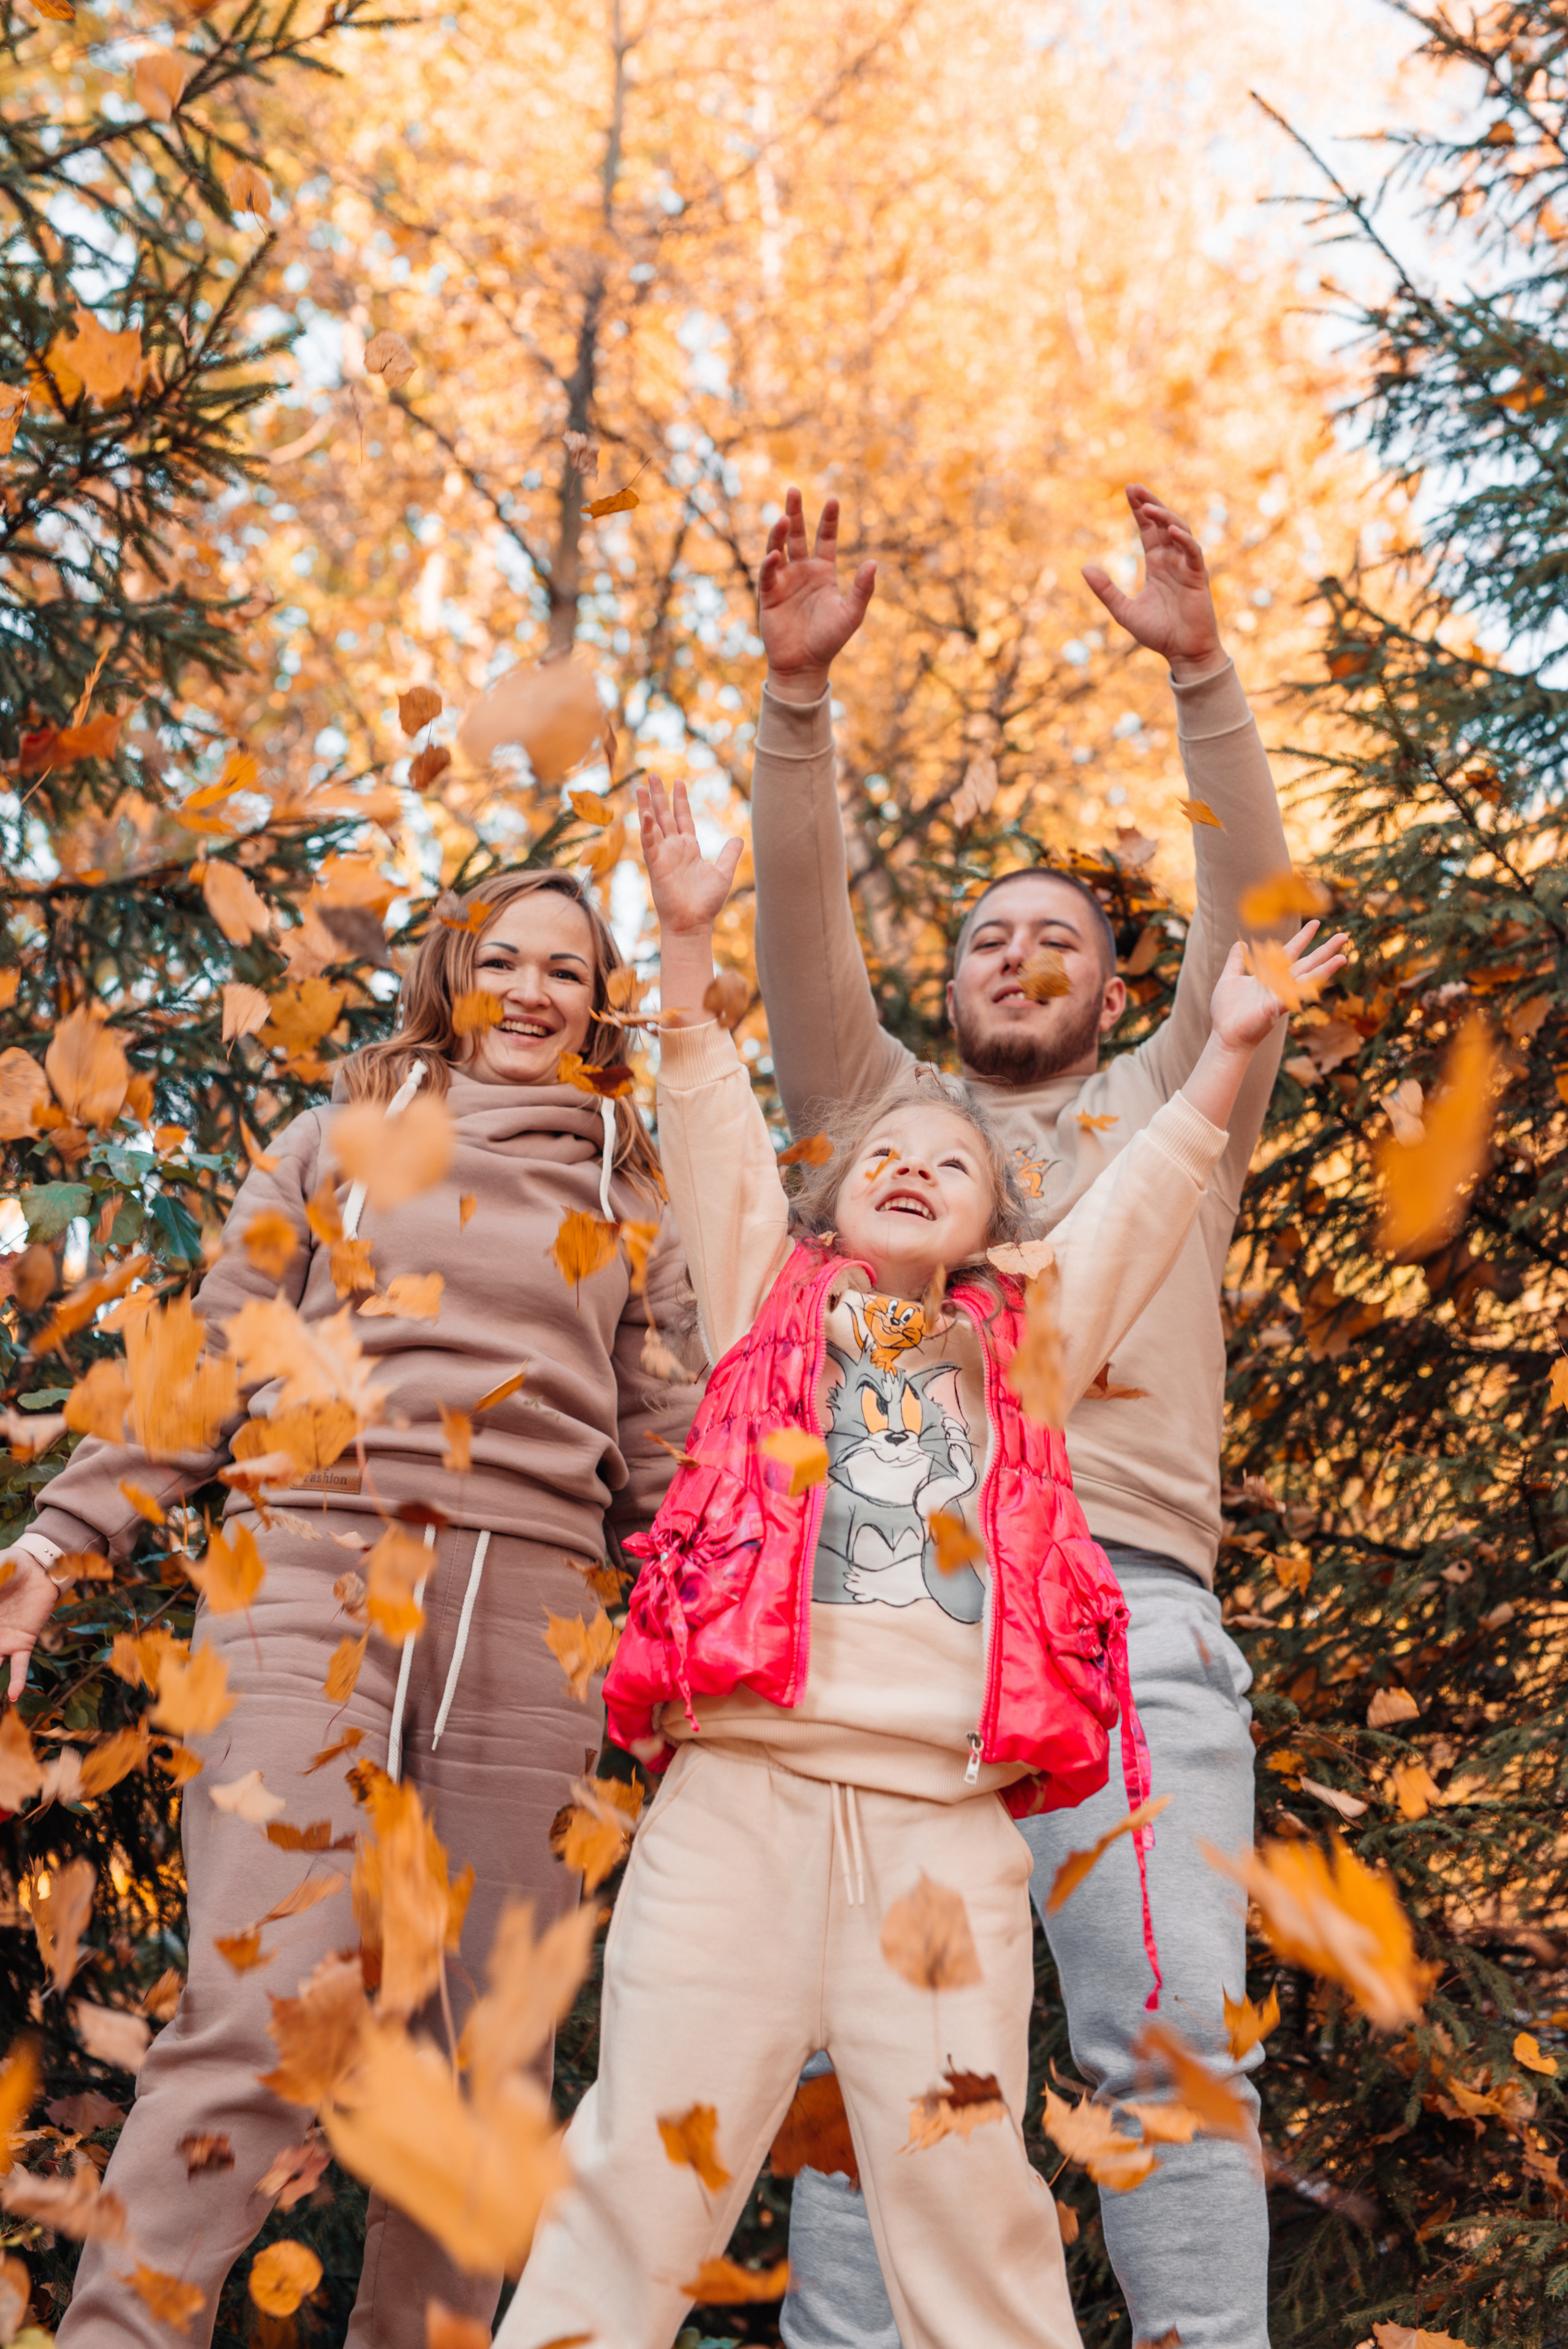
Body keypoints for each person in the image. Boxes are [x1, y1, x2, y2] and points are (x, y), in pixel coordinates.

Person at [492, 777, 1344, 2349]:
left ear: (992, 1232)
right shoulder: (770, 1295)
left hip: (941, 1831)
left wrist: (1225, 1048)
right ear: (827, 1199)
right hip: (735, 1803)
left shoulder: (1025, 1350)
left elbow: (1141, 1206)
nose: (910, 1165)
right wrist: (684, 951)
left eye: (949, 1165)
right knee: (641, 2169)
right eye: (884, 1150)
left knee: (964, 2202)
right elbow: (709, 1119)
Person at [0, 868, 698, 2349]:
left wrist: (709, 1661)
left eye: (564, 972)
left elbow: (665, 1453)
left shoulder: (629, 1186)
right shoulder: (332, 1145)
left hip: (537, 1619)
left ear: (596, 1005)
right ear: (450, 977)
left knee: (475, 2068)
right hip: (314, 1572)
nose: (529, 991)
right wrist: (56, 1543)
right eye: (500, 961)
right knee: (260, 2014)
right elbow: (202, 1368)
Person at [749, 484, 1300, 2349]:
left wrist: (1205, 671)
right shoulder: (885, 1120)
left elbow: (1255, 911)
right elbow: (801, 930)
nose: (1010, 952)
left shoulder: (1175, 1105)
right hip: (896, 1613)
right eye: (982, 933)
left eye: (1051, 933)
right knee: (881, 2052)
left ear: (1122, 987)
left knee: (1162, 2037)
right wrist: (797, 701)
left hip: (1126, 1612)